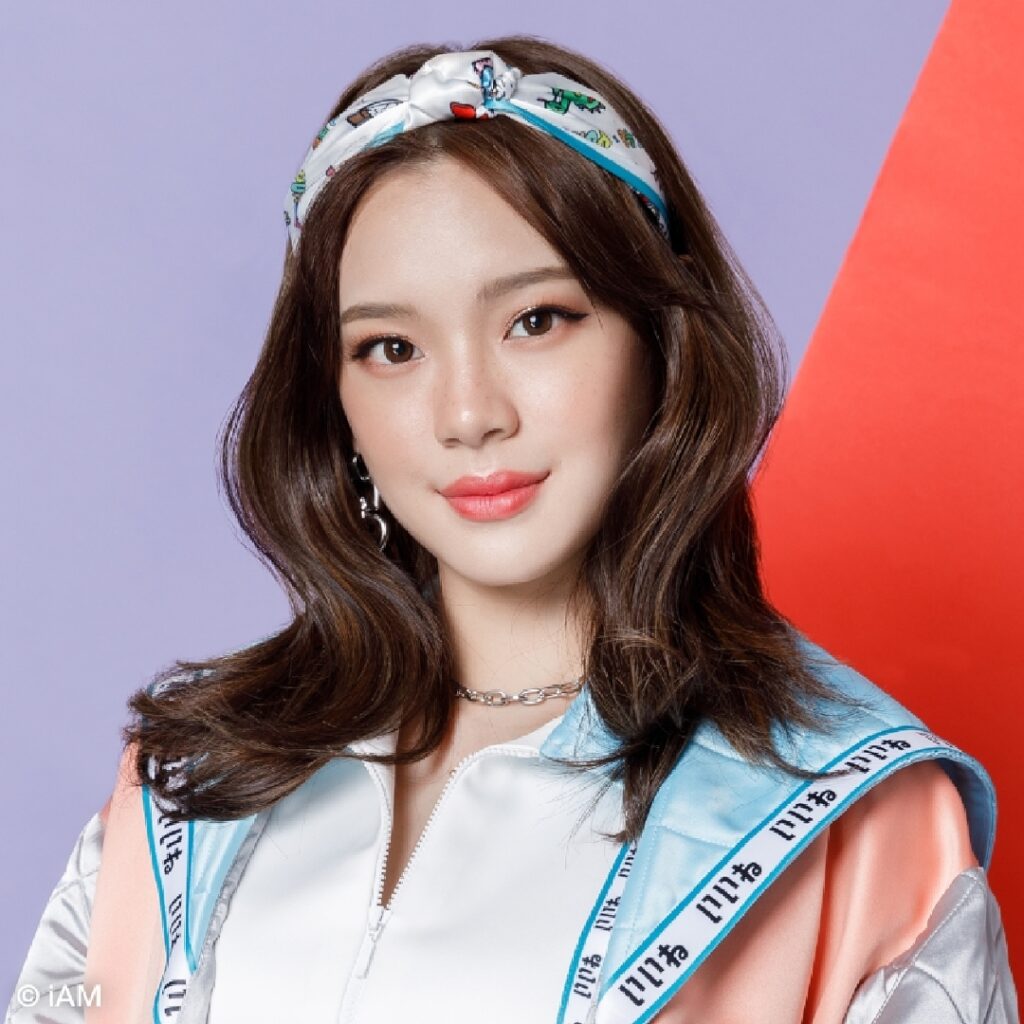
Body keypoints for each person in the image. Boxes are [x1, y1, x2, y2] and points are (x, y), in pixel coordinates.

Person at [6, 36, 1018, 1024]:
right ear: (334, 403)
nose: (467, 414)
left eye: (536, 320)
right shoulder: (188, 783)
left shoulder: (852, 818)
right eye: (391, 347)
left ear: (661, 347)